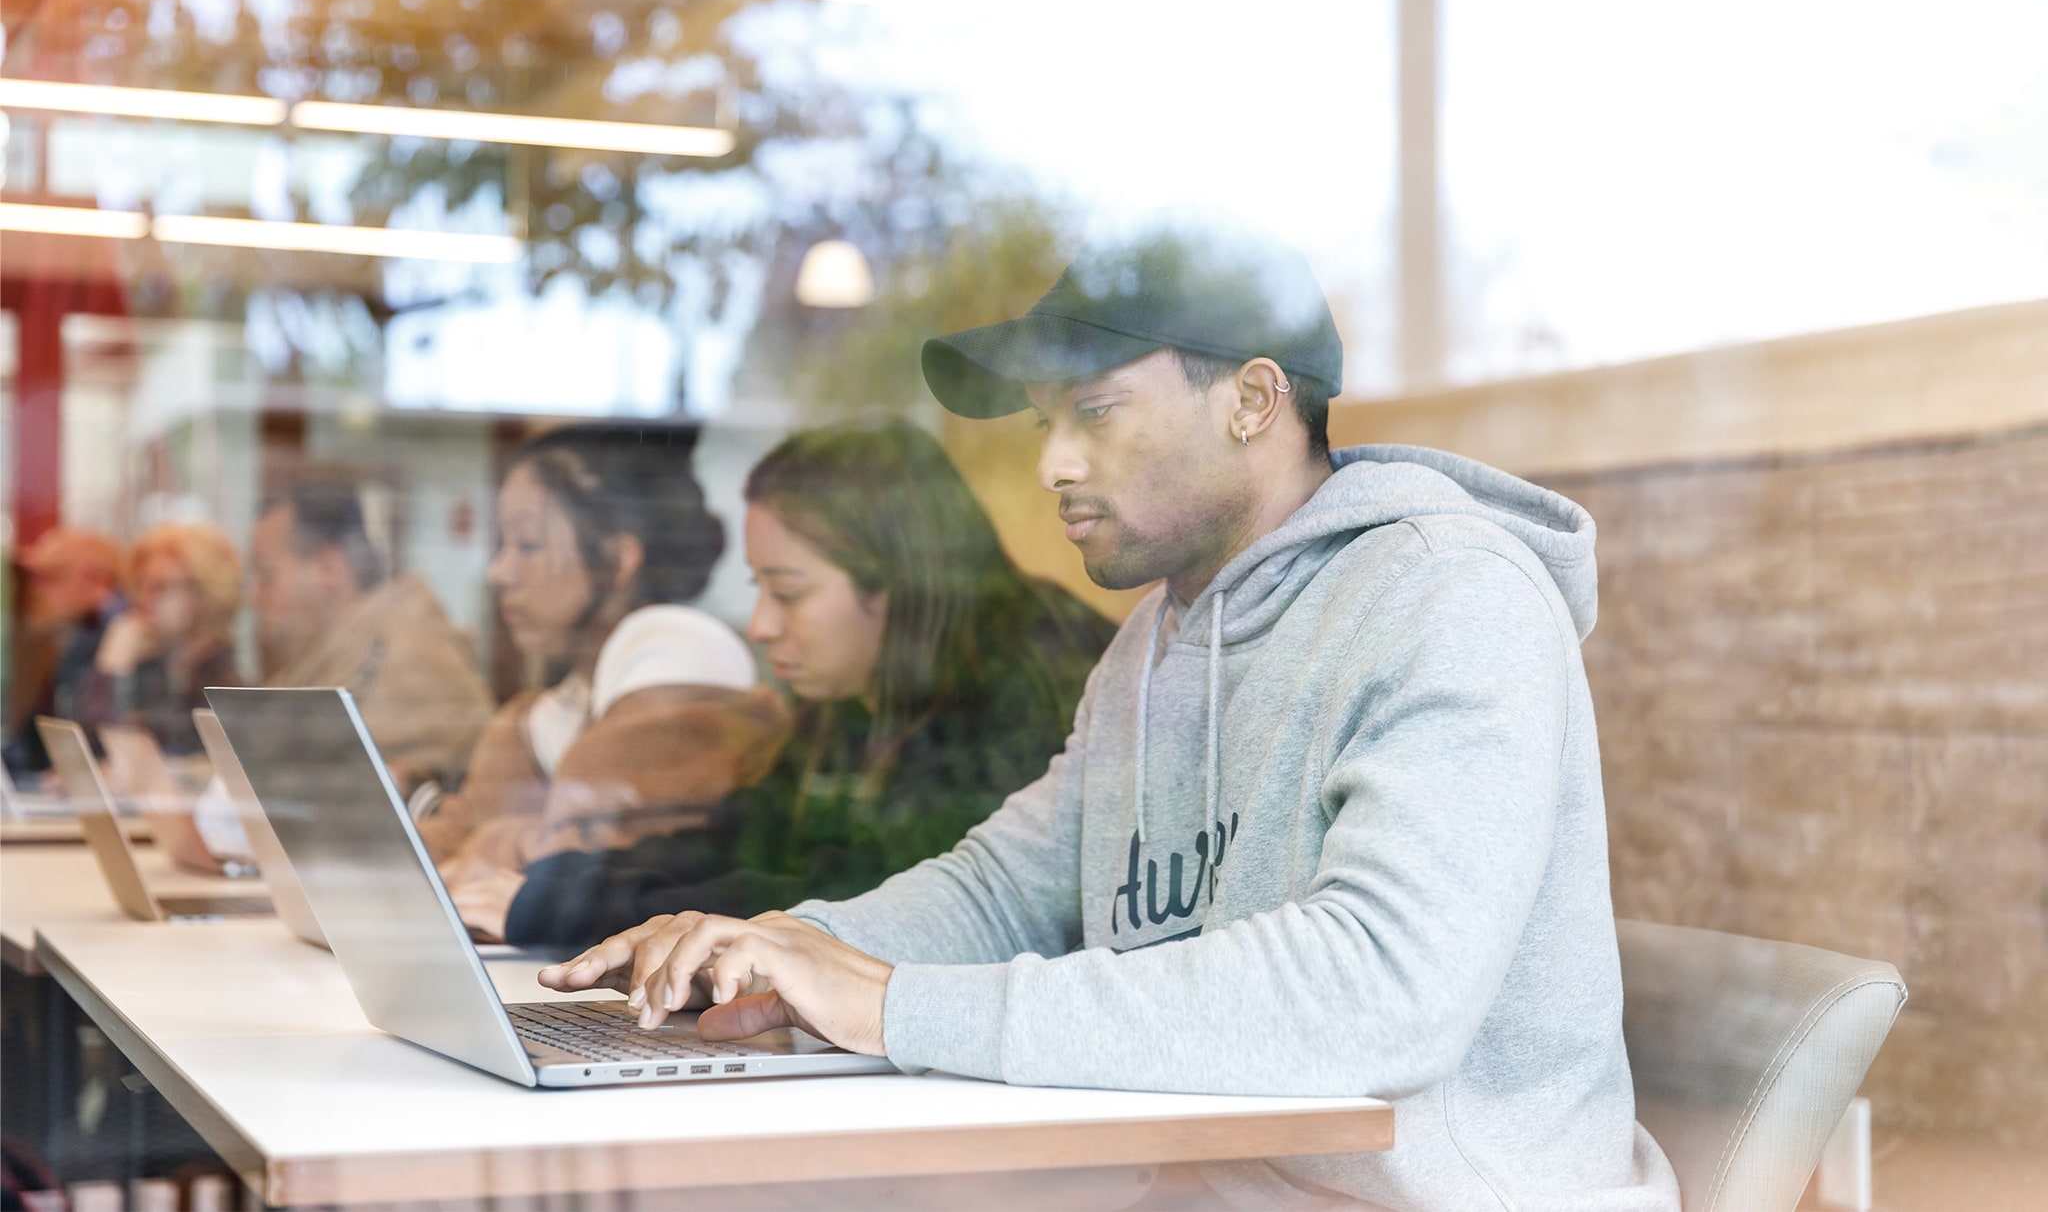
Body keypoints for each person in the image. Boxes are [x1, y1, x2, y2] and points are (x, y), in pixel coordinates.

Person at [541, 235, 1682, 1212]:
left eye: (1091, 412)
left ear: (1251, 398)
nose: (1050, 463)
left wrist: (891, 1004)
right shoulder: (1155, 638)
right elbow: (1007, 890)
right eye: (1044, 423)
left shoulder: (1449, 596)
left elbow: (1380, 991)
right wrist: (779, 951)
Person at [457, 420, 1117, 946]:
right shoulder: (856, 696)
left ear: (893, 582)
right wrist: (545, 883)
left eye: (788, 590)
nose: (763, 625)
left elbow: (864, 891)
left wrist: (556, 903)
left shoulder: (1026, 691)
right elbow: (745, 840)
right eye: (759, 588)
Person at [417, 423, 790, 888]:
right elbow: (466, 840)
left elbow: (590, 851)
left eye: (528, 544)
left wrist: (490, 846)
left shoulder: (682, 647)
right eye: (502, 546)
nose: (499, 573)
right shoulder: (553, 711)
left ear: (618, 560)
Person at [248, 477, 493, 794]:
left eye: (265, 574)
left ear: (329, 568)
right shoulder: (342, 652)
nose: (253, 595)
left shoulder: (407, 659)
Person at [78, 523, 243, 756]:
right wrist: (113, 666)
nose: (144, 598)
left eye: (160, 586)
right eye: (139, 585)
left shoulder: (227, 684)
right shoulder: (151, 665)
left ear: (203, 591)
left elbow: (180, 753)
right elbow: (91, 748)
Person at [4, 526, 123, 776]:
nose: (37, 590)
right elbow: (35, 733)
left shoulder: (118, 632)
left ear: (94, 579)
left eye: (51, 576)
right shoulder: (69, 636)